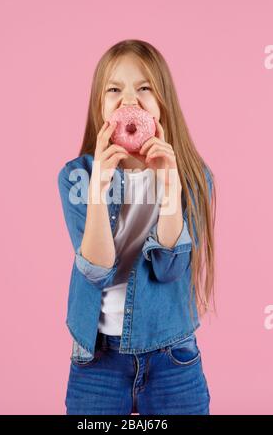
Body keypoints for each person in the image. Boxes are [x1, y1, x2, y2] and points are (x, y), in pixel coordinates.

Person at [57, 39, 216, 415]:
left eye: (144, 88)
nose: (129, 100)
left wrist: (169, 188)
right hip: (97, 360)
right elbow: (96, 271)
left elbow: (170, 266)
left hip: (172, 357)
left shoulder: (193, 178)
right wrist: (98, 191)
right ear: (100, 107)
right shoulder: (76, 177)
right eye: (114, 90)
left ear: (163, 104)